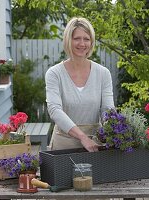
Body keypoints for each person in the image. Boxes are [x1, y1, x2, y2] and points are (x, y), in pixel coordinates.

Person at [45, 17, 115, 152]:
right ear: (68, 40)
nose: (82, 43)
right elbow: (55, 110)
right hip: (63, 144)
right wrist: (82, 137)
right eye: (77, 38)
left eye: (86, 39)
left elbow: (107, 109)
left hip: (95, 145)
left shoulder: (103, 73)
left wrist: (113, 131)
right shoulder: (54, 73)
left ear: (91, 42)